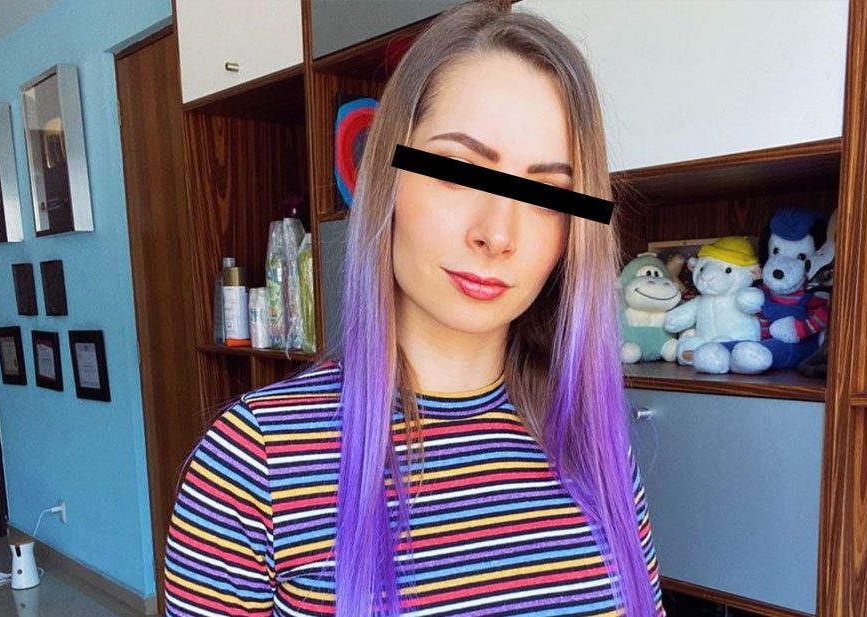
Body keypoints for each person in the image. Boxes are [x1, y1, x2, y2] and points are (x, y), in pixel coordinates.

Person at [162, 1, 665, 615]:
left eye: (546, 195)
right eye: (458, 171)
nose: (497, 233)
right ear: (386, 178)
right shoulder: (252, 460)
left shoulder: (593, 443)